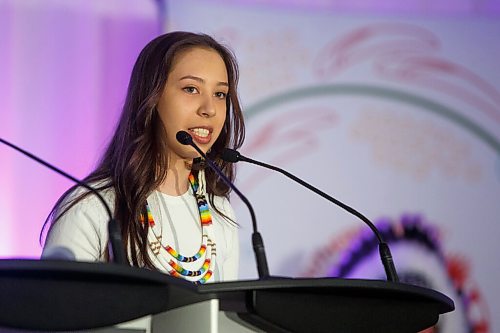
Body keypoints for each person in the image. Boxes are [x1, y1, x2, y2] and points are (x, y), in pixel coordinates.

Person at [41, 31, 245, 284]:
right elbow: (57, 315)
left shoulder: (219, 211)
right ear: (152, 97)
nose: (209, 109)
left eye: (220, 94)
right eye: (191, 89)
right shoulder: (94, 206)